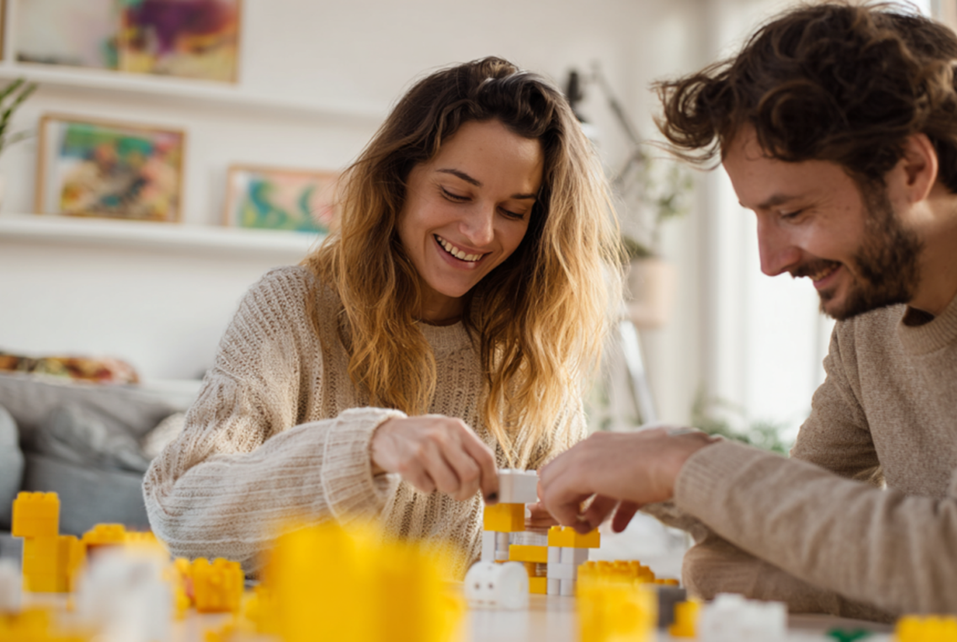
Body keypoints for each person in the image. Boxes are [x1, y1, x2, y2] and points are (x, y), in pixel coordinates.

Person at [536, 4, 957, 641]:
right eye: (760, 218)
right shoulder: (874, 309)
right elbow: (784, 528)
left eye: (792, 211)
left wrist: (682, 464)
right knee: (730, 575)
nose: (771, 261)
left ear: (911, 169)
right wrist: (657, 471)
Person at [144, 57, 624, 578]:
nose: (482, 232)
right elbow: (182, 514)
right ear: (398, 181)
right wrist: (366, 445)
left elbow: (539, 570)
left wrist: (559, 534)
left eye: (513, 211)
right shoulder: (293, 308)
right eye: (456, 194)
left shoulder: (532, 351)